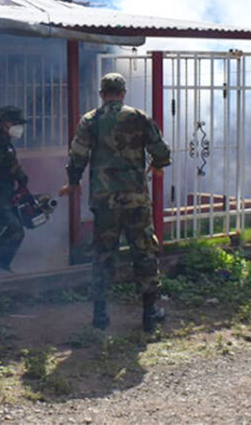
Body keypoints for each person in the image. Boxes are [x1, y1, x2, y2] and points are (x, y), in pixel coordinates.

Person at [58, 73, 171, 332]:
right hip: (135, 199)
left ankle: (100, 315)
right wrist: (157, 166)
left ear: (102, 94)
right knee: (144, 253)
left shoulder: (90, 120)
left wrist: (73, 182)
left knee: (103, 255)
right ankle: (149, 313)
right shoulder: (139, 117)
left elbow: (78, 155)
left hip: (104, 201)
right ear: (122, 92)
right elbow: (160, 150)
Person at [0, 105, 28, 272]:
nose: (20, 128)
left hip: (5, 193)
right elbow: (10, 167)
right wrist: (22, 179)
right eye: (17, 123)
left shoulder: (7, 143)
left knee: (4, 230)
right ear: (6, 123)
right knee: (14, 230)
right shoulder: (0, 144)